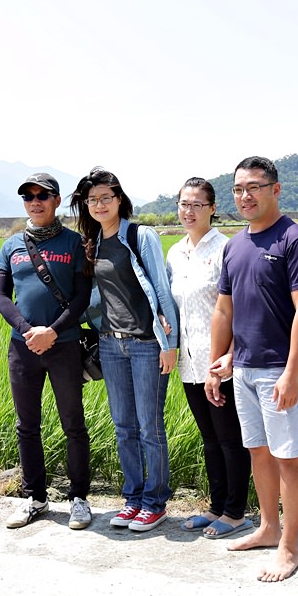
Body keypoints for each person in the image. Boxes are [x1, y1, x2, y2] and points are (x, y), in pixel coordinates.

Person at [207, 156, 298, 582]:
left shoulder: (295, 240)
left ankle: (290, 547)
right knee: (258, 451)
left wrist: (292, 373)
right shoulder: (235, 246)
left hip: (279, 369)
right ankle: (268, 528)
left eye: (254, 187)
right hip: (245, 368)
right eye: (238, 189)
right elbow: (228, 309)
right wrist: (224, 361)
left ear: (275, 189)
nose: (245, 196)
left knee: (287, 455)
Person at [69, 167, 180, 532]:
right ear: (86, 205)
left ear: (119, 199)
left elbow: (161, 289)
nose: (99, 204)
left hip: (147, 344)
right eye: (92, 200)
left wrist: (170, 343)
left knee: (150, 426)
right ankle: (132, 499)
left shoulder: (139, 235)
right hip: (110, 345)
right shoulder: (92, 242)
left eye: (106, 197)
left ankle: (155, 501)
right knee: (123, 427)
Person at [0, 172, 93, 531]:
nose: (35, 201)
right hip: (22, 349)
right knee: (27, 426)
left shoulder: (75, 244)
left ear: (56, 200)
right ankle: (35, 498)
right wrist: (27, 330)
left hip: (63, 346)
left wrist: (51, 331)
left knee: (73, 424)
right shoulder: (11, 246)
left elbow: (82, 298)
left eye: (42, 195)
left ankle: (79, 499)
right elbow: (3, 298)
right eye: (28, 196)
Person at [165, 177, 252, 540]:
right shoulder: (174, 252)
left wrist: (229, 356)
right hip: (189, 361)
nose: (189, 211)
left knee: (231, 438)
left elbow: (238, 309)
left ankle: (236, 512)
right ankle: (216, 506)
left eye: (197, 205)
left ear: (212, 209)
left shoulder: (226, 249)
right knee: (210, 437)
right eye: (183, 204)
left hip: (220, 362)